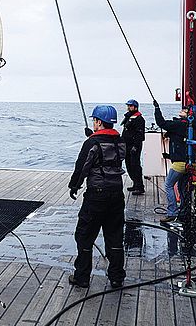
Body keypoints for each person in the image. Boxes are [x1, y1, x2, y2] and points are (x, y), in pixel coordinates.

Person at [68, 105, 127, 289]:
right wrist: (93, 137)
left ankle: (82, 277)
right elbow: (108, 151)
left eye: (95, 120)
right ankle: (116, 277)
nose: (94, 123)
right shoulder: (120, 141)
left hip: (96, 196)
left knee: (84, 236)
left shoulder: (92, 143)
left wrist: (74, 186)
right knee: (115, 236)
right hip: (116, 194)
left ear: (99, 122)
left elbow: (82, 167)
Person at [153, 100, 196, 223]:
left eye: (184, 110)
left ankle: (172, 212)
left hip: (179, 163)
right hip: (188, 162)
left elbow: (161, 123)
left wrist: (157, 108)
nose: (182, 110)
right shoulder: (188, 126)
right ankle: (183, 212)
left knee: (168, 185)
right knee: (182, 188)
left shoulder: (179, 124)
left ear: (189, 115)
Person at [121, 99, 146, 195]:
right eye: (128, 106)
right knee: (129, 165)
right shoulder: (129, 117)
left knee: (135, 165)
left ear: (135, 107)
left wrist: (135, 146)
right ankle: (135, 183)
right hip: (127, 145)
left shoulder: (139, 119)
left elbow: (140, 134)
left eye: (130, 106)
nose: (128, 107)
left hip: (134, 146)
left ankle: (140, 186)